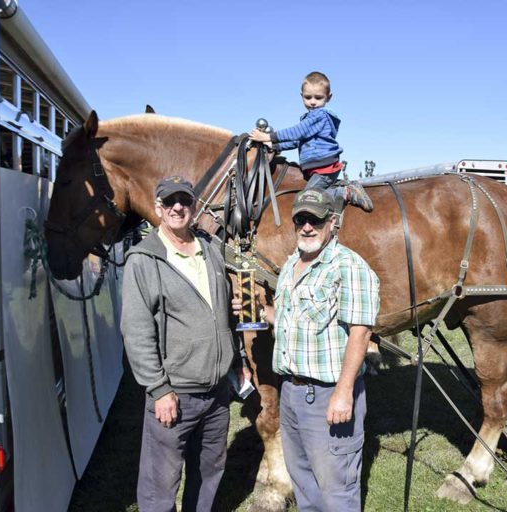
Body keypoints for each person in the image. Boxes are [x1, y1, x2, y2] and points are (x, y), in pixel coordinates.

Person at [232, 189, 379, 511]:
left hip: (328, 394)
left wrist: (343, 392)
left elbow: (361, 332)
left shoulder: (349, 266)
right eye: (301, 219)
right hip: (293, 394)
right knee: (304, 483)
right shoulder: (291, 266)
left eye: (315, 219)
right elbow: (284, 320)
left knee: (336, 488)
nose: (307, 227)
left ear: (333, 223)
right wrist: (257, 310)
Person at [121, 176, 251, 512]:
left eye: (185, 201)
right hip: (175, 394)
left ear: (194, 207)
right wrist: (159, 389)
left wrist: (233, 323)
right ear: (159, 209)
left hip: (217, 393)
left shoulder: (209, 249)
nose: (178, 207)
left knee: (208, 474)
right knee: (159, 485)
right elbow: (136, 331)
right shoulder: (144, 259)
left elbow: (216, 313)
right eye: (170, 202)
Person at [249, 71, 373, 212]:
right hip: (316, 168)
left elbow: (297, 132)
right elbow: (297, 141)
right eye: (308, 97)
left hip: (324, 167)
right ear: (301, 96)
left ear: (329, 97)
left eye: (318, 98)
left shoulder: (319, 115)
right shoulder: (310, 119)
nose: (313, 102)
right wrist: (275, 145)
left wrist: (268, 137)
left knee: (309, 198)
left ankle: (346, 192)